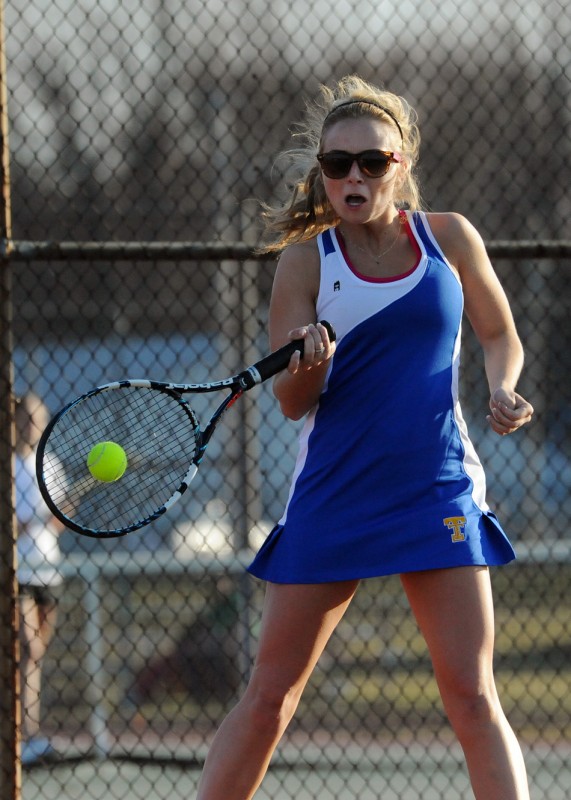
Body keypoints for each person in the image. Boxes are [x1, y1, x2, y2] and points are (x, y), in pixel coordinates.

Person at [196, 75, 534, 799]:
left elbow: (499, 334)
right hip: (335, 495)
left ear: (400, 164)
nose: (353, 176)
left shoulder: (448, 237)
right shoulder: (305, 263)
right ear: (320, 173)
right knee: (267, 701)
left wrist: (501, 384)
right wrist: (309, 361)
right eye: (336, 163)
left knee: (472, 697)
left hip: (433, 489)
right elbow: (291, 404)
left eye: (371, 162)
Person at [15, 393, 64, 764]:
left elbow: (60, 519)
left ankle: (28, 732)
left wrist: (54, 517)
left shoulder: (49, 462)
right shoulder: (8, 466)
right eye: (25, 418)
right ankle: (26, 735)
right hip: (16, 571)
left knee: (36, 656)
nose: (30, 424)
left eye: (36, 417)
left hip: (49, 569)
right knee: (27, 650)